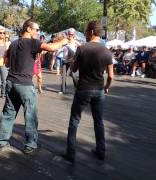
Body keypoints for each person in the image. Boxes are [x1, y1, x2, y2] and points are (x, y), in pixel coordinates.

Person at [0, 19, 68, 154]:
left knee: (8, 113)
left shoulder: (13, 44)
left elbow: (7, 63)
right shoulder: (32, 42)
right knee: (30, 115)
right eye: (37, 30)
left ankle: (0, 142)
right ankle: (30, 145)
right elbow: (50, 48)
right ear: (28, 29)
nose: (38, 32)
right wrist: (63, 42)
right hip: (24, 84)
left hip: (10, 81)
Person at [62, 20, 113, 163]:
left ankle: (71, 153)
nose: (84, 34)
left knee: (74, 121)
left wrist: (72, 61)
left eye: (85, 31)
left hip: (83, 89)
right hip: (99, 90)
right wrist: (107, 87)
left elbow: (73, 69)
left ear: (91, 32)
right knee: (98, 121)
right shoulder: (107, 51)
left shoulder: (82, 48)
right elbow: (111, 75)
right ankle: (100, 151)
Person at [59, 28, 81, 94]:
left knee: (74, 75)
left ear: (74, 34)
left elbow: (81, 47)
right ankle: (62, 90)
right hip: (64, 60)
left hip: (72, 60)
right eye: (69, 34)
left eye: (72, 34)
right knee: (63, 75)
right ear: (67, 34)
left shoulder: (75, 41)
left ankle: (77, 88)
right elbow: (59, 46)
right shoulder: (64, 40)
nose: (70, 35)